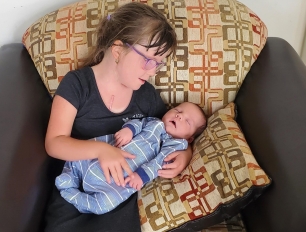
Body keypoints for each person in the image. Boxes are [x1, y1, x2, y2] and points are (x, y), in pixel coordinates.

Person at [44, 2, 195, 232]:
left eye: (159, 64)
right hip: (75, 184)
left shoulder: (146, 96)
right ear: (117, 50)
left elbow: (166, 132)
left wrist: (185, 153)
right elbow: (54, 143)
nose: (154, 71)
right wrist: (101, 150)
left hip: (118, 191)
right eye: (149, 60)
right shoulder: (77, 85)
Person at [55, 102, 207, 214]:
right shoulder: (155, 123)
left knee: (104, 205)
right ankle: (69, 177)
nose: (179, 116)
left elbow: (158, 163)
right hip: (107, 152)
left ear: (189, 139)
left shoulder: (175, 146)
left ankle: (73, 195)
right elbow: (138, 123)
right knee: (79, 154)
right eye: (177, 110)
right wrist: (128, 130)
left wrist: (141, 177)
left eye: (187, 121)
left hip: (120, 179)